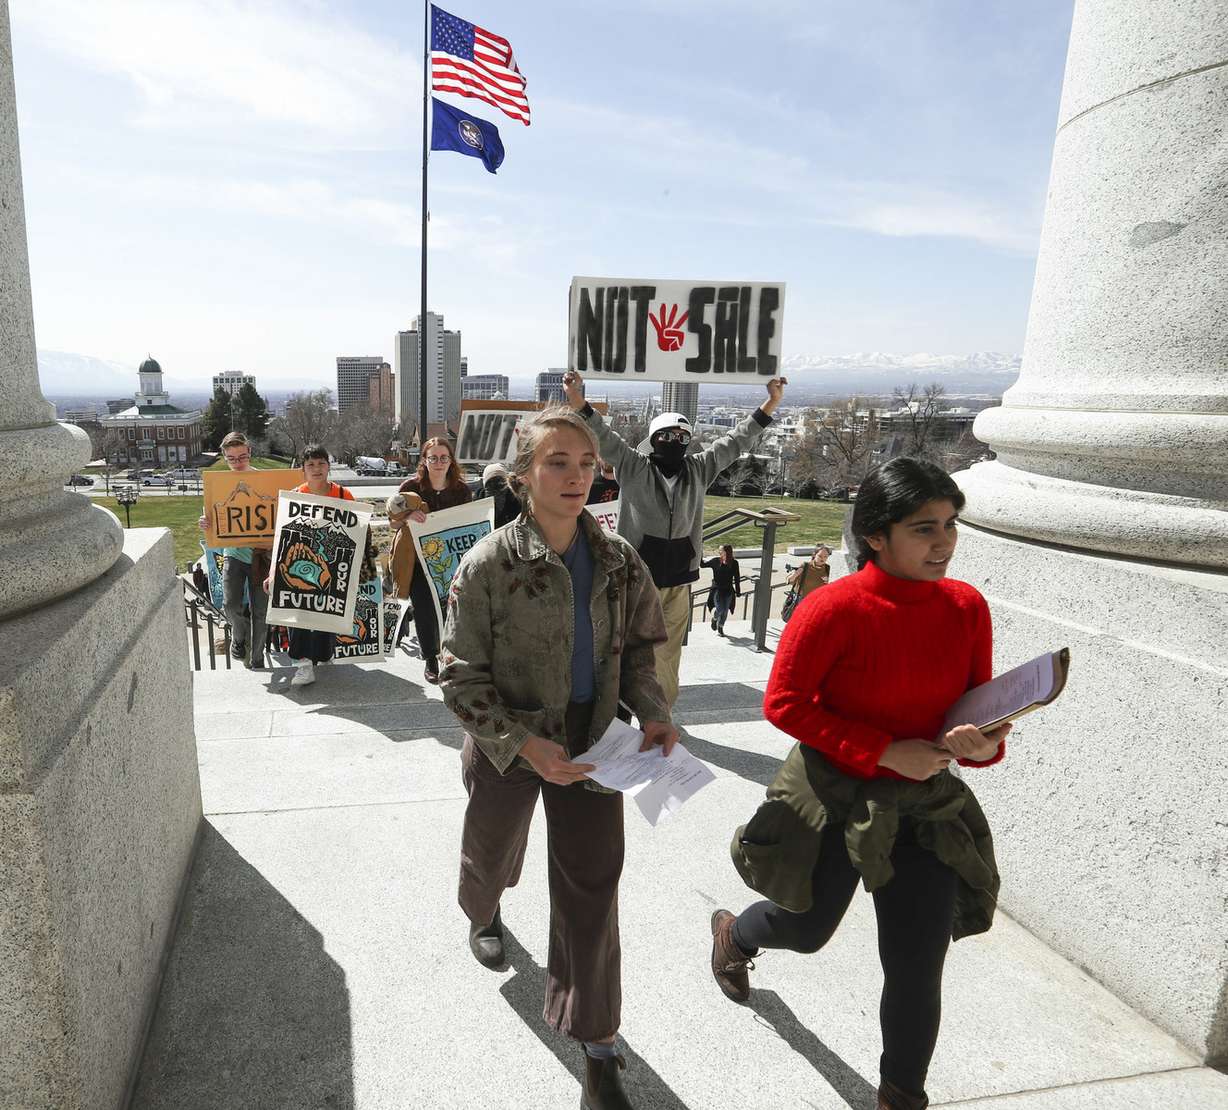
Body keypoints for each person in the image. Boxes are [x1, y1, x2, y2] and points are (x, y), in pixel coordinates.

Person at [709, 457, 1011, 1110]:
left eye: (950, 525)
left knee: (915, 966)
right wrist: (881, 751)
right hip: (837, 800)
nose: (944, 542)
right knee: (808, 930)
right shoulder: (833, 608)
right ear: (877, 534)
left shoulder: (966, 608)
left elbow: (977, 712)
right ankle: (736, 936)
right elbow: (784, 704)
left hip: (924, 812)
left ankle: (901, 1097)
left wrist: (983, 745)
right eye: (924, 528)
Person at [439, 407, 675, 1110]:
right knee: (491, 857)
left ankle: (598, 1047)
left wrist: (656, 713)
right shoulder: (487, 565)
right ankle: (482, 914)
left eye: (585, 462)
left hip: (595, 742)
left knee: (593, 890)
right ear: (522, 477)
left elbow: (638, 651)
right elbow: (458, 678)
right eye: (556, 462)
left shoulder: (617, 558)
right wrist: (520, 744)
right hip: (510, 743)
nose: (576, 476)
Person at [564, 370, 786, 709]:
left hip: (679, 581)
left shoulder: (698, 469)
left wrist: (770, 404)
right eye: (667, 436)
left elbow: (737, 441)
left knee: (667, 654)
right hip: (635, 579)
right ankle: (617, 710)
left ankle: (659, 715)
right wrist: (579, 401)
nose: (675, 442)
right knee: (625, 646)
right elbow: (604, 436)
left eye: (683, 437)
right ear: (653, 439)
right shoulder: (633, 466)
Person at [264, 445, 355, 687]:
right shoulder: (294, 497)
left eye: (321, 463)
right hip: (298, 564)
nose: (316, 469)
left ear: (329, 466)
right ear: (303, 469)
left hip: (334, 566)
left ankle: (325, 656)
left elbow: (358, 536)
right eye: (310, 464)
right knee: (299, 614)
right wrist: (273, 572)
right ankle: (302, 663)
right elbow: (282, 539)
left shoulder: (344, 496)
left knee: (326, 615)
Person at [398, 437, 472, 683]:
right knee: (424, 608)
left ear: (451, 461)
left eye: (444, 457)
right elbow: (392, 520)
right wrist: (408, 515)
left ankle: (452, 654)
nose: (439, 462)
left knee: (453, 608)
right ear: (424, 460)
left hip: (452, 560)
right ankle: (430, 657)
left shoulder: (462, 490)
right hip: (419, 560)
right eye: (433, 458)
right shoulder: (410, 487)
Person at [198, 431, 269, 670]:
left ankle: (257, 659)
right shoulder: (218, 486)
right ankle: (239, 636)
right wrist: (205, 523)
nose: (238, 462)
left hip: (262, 557)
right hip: (234, 555)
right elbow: (212, 518)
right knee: (230, 604)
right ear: (225, 458)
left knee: (260, 612)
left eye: (241, 456)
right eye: (232, 458)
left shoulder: (265, 481)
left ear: (249, 451)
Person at [384, 491, 423, 602]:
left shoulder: (461, 490)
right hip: (413, 564)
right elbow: (393, 522)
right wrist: (407, 518)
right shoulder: (409, 487)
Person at [701, 543, 741, 636]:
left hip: (729, 591)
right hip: (717, 590)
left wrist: (738, 591)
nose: (719, 552)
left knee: (725, 610)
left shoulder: (734, 563)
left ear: (726, 552)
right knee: (720, 609)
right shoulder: (715, 561)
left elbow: (737, 578)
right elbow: (703, 565)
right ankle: (714, 619)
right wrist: (699, 553)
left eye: (721, 550)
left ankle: (721, 627)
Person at [480, 462, 522, 528]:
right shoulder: (478, 502)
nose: (495, 485)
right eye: (490, 482)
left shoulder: (515, 501)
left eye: (500, 481)